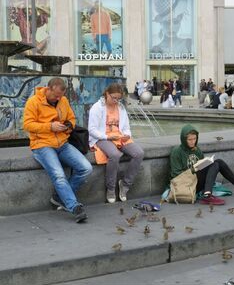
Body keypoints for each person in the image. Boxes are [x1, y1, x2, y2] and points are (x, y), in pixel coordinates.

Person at [23, 78, 92, 223]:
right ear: (48, 89)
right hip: (42, 145)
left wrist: (68, 125)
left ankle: (59, 198)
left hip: (63, 143)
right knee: (59, 175)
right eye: (55, 96)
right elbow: (28, 125)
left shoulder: (63, 101)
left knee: (86, 168)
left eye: (60, 96)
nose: (58, 99)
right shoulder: (33, 102)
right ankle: (74, 207)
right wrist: (50, 127)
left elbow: (72, 118)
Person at [169, 125, 234, 205]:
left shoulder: (197, 150)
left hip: (197, 181)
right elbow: (175, 175)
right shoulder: (177, 151)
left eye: (194, 139)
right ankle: (207, 196)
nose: (193, 142)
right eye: (190, 140)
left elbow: (203, 167)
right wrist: (193, 169)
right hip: (186, 185)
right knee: (214, 165)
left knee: (218, 162)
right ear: (184, 139)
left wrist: (204, 163)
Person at [88, 83, 144, 203]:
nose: (116, 101)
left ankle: (125, 184)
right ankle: (111, 188)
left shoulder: (121, 108)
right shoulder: (97, 107)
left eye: (118, 99)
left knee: (138, 153)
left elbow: (126, 127)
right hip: (103, 138)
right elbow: (92, 130)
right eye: (114, 98)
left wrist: (127, 135)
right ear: (107, 94)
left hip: (119, 137)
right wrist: (107, 136)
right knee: (114, 155)